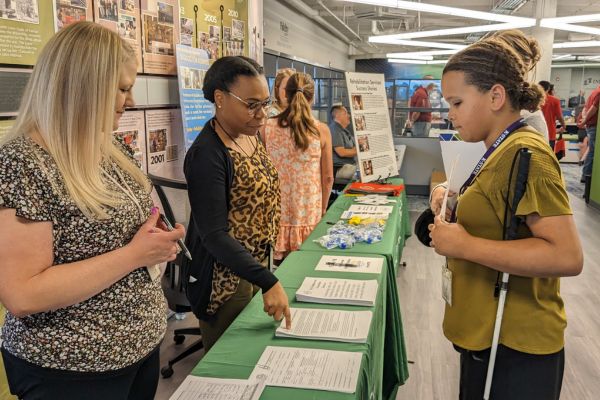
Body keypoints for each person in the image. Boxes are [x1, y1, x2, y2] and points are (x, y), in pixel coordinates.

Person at [0, 22, 185, 400]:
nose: (129, 101)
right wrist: (136, 254)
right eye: (122, 89)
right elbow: (23, 294)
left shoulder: (107, 148)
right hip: (72, 367)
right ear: (84, 86)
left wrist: (157, 240)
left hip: (138, 348)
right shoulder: (22, 161)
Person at [428, 31, 583, 400]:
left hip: (517, 346)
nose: (450, 114)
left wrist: (466, 246)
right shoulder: (497, 150)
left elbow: (566, 255)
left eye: (457, 102)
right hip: (486, 332)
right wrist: (451, 198)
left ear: (496, 96)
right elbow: (500, 212)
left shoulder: (527, 154)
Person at [184, 56, 291, 353]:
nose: (261, 114)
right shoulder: (207, 155)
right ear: (220, 98)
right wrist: (268, 281)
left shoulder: (250, 136)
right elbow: (214, 235)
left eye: (265, 103)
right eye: (251, 104)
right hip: (226, 282)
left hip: (256, 266)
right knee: (233, 360)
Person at [262, 72, 334, 260]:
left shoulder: (266, 128)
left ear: (284, 94)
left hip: (276, 214)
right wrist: (324, 208)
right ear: (313, 97)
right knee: (304, 268)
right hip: (308, 212)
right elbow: (328, 178)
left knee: (275, 270)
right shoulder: (321, 130)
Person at [329, 105, 357, 180]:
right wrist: (358, 151)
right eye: (346, 113)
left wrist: (356, 150)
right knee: (364, 172)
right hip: (340, 168)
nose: (349, 115)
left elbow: (355, 146)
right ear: (337, 115)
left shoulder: (344, 130)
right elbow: (342, 152)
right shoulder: (334, 129)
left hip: (350, 165)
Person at [539, 80, 566, 150]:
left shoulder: (535, 100)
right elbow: (560, 116)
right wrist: (563, 125)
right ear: (548, 89)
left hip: (536, 133)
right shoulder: (555, 101)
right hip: (549, 134)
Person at [581, 84, 600, 183]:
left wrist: (584, 120)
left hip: (590, 126)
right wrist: (584, 121)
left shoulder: (593, 92)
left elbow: (585, 108)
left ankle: (586, 175)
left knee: (591, 151)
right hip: (594, 126)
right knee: (592, 152)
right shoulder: (599, 93)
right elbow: (593, 109)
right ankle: (586, 175)